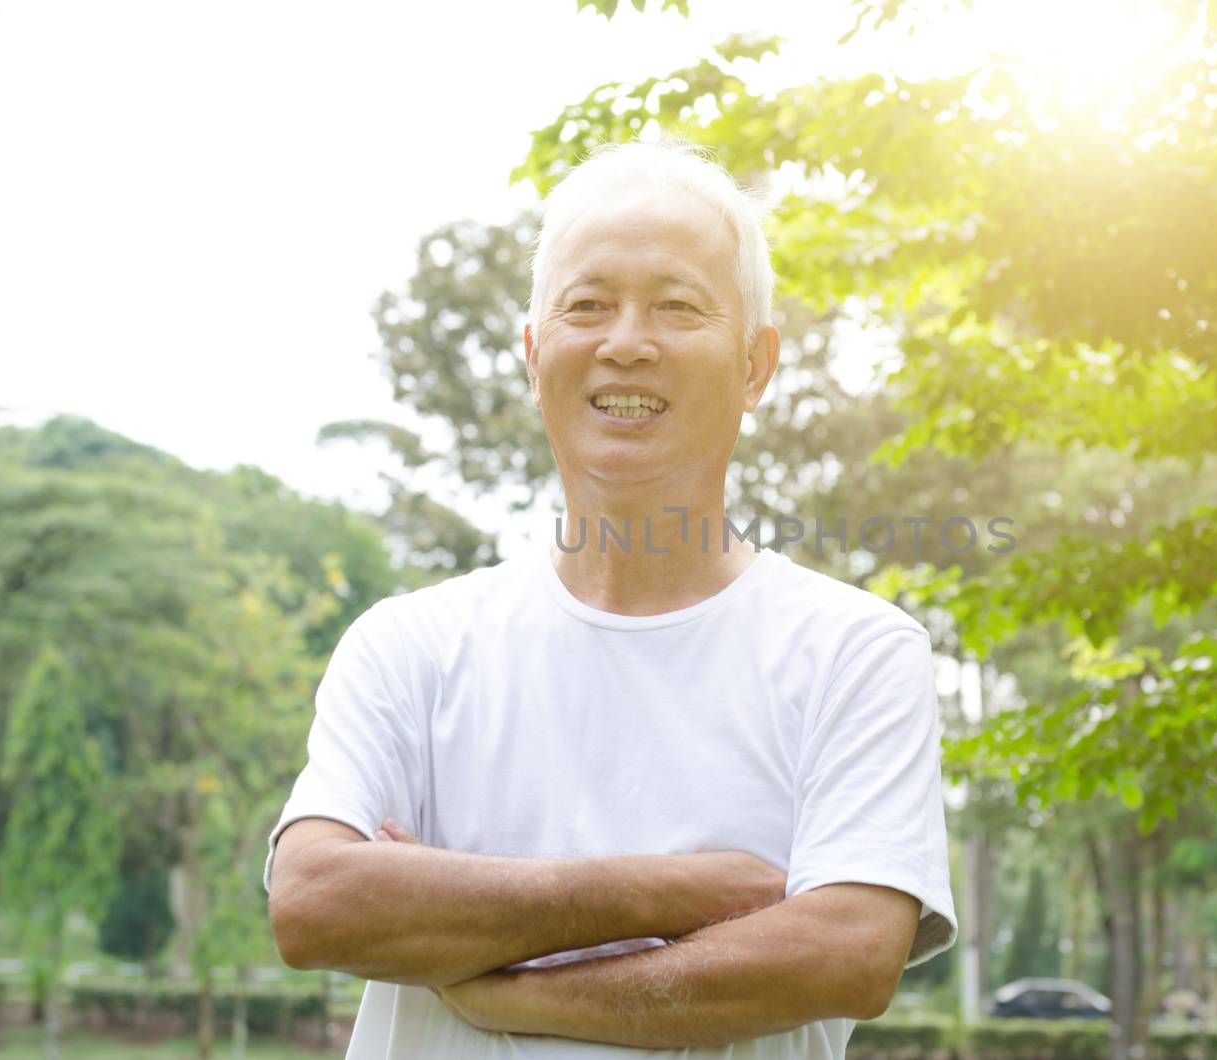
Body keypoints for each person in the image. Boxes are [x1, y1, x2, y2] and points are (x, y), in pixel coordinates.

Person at [264, 140, 957, 1059]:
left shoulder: (854, 651)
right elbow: (315, 905)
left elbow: (844, 955)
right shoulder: (409, 646)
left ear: (756, 365)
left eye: (676, 306)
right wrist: (668, 896)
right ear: (534, 350)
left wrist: (503, 981)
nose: (626, 343)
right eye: (587, 306)